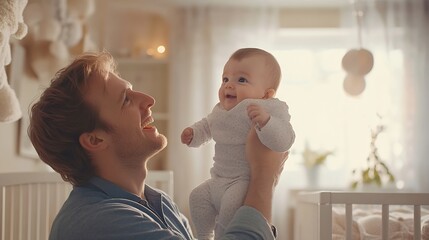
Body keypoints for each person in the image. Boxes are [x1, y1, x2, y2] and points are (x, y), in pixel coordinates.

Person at [28, 51, 288, 240]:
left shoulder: (158, 202)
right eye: (125, 100)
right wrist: (264, 177)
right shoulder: (100, 222)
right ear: (95, 140)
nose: (148, 99)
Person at [181, 48, 295, 240]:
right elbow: (208, 126)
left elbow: (285, 141)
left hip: (242, 181)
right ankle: (203, 235)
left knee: (231, 208)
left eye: (241, 80)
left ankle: (223, 236)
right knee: (197, 197)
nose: (229, 85)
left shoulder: (267, 108)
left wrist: (267, 122)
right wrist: (194, 134)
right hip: (217, 179)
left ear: (267, 94)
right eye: (225, 79)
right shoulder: (220, 111)